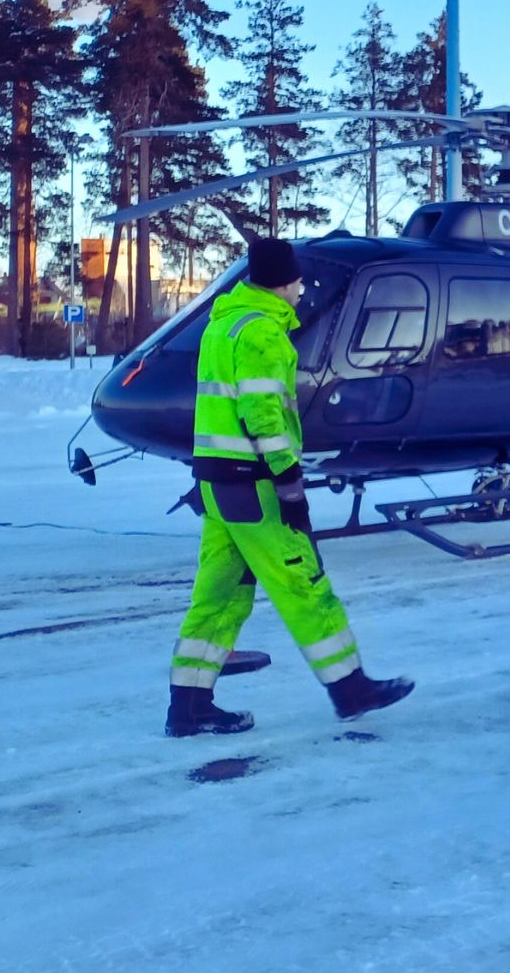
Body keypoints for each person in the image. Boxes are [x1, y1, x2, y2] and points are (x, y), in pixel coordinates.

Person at [165, 236, 413, 737]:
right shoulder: (263, 334)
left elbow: (216, 406)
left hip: (217, 481)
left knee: (218, 595)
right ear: (281, 282)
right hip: (252, 483)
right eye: (298, 281)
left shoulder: (223, 325)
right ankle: (350, 689)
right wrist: (288, 479)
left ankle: (187, 708)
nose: (302, 290)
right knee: (304, 584)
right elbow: (262, 413)